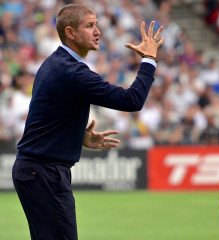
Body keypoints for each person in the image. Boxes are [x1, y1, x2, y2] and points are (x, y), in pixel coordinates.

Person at [12, 3, 164, 240]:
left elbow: (47, 114)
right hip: (43, 173)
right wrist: (149, 59)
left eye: (97, 25)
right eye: (90, 25)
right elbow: (132, 100)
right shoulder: (72, 72)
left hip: (37, 171)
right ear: (70, 33)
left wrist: (76, 136)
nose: (98, 31)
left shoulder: (57, 63)